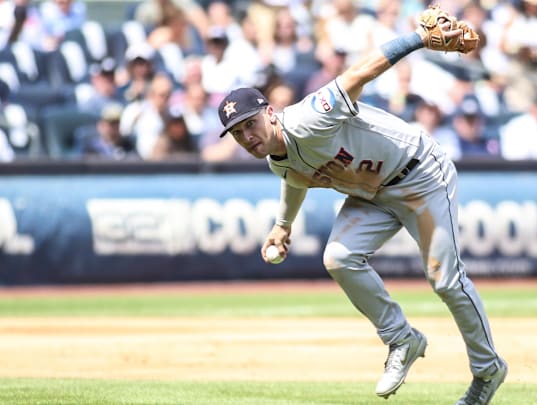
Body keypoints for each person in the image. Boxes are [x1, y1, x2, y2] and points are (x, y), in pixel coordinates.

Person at [215, 13, 507, 405]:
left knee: (446, 282)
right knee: (338, 257)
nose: (246, 137)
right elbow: (295, 177)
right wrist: (282, 225)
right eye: (237, 134)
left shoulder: (309, 117)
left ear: (269, 112)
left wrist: (419, 39)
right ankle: (401, 338)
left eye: (249, 124)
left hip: (420, 174)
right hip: (375, 194)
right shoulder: (275, 158)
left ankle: (488, 371)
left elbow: (359, 73)